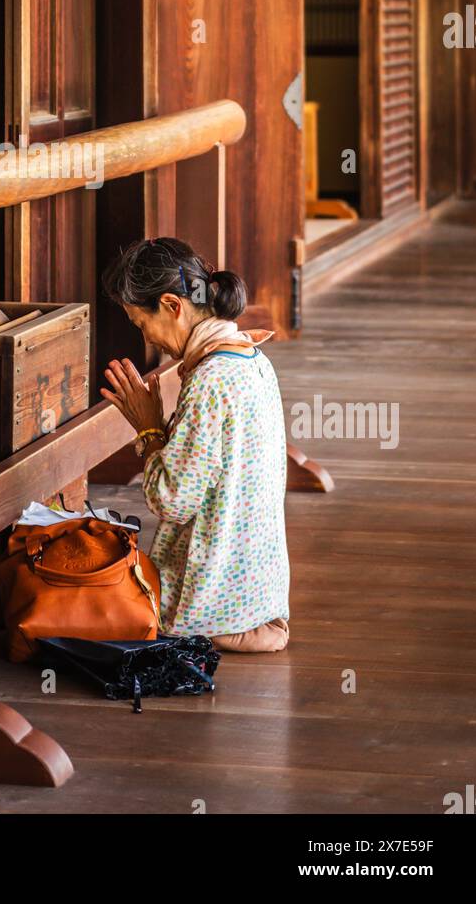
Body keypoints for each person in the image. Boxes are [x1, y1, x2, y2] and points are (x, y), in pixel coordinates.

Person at [99, 237, 290, 654]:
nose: (148, 339)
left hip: (209, 609)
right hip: (260, 598)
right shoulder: (252, 358)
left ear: (171, 305)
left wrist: (148, 429)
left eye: (140, 323)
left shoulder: (209, 380)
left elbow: (172, 501)